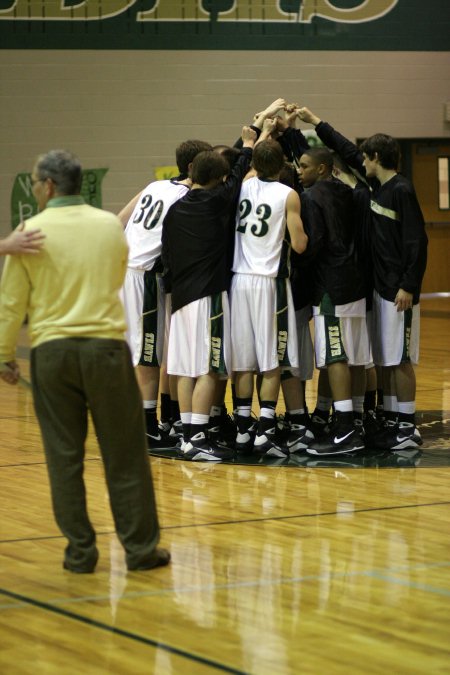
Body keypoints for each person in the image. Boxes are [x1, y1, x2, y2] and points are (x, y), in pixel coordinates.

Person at [0, 149, 169, 573]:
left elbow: (10, 305)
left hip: (53, 354)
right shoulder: (108, 226)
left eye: (37, 182)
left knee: (64, 456)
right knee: (125, 454)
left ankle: (80, 553)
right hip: (106, 350)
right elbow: (115, 276)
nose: (35, 188)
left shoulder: (29, 232)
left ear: (50, 186)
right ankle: (140, 549)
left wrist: (4, 357)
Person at [297, 107, 428, 450]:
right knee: (385, 358)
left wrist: (409, 285)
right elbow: (347, 150)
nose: (360, 162)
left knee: (399, 359)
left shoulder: (401, 189)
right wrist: (315, 123)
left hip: (399, 289)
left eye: (365, 158)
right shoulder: (374, 186)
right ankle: (390, 422)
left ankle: (406, 427)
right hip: (378, 287)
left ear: (376, 158)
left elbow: (417, 240)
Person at [162, 126, 259, 461]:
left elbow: (167, 258)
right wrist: (249, 143)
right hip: (208, 297)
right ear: (218, 177)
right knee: (209, 368)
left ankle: (188, 433)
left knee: (186, 369)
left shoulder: (175, 209)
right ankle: (199, 436)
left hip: (180, 300)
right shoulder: (217, 200)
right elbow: (236, 176)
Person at [119, 140, 212, 449]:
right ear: (193, 167)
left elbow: (120, 219)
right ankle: (145, 427)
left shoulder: (154, 185)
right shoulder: (186, 196)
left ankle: (150, 421)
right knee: (148, 355)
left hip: (128, 270)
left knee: (147, 352)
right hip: (144, 276)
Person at [231, 138, 309, 459]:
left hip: (238, 281)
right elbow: (301, 245)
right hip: (269, 283)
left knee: (244, 362)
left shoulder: (242, 186)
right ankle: (265, 430)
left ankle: (241, 429)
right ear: (281, 166)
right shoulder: (288, 194)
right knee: (273, 359)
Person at [296, 147, 371, 456]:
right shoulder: (350, 191)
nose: (299, 171)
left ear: (323, 169)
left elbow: (314, 244)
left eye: (304, 166)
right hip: (356, 282)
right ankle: (357, 417)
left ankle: (344, 430)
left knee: (335, 357)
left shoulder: (311, 197)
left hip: (330, 286)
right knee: (355, 356)